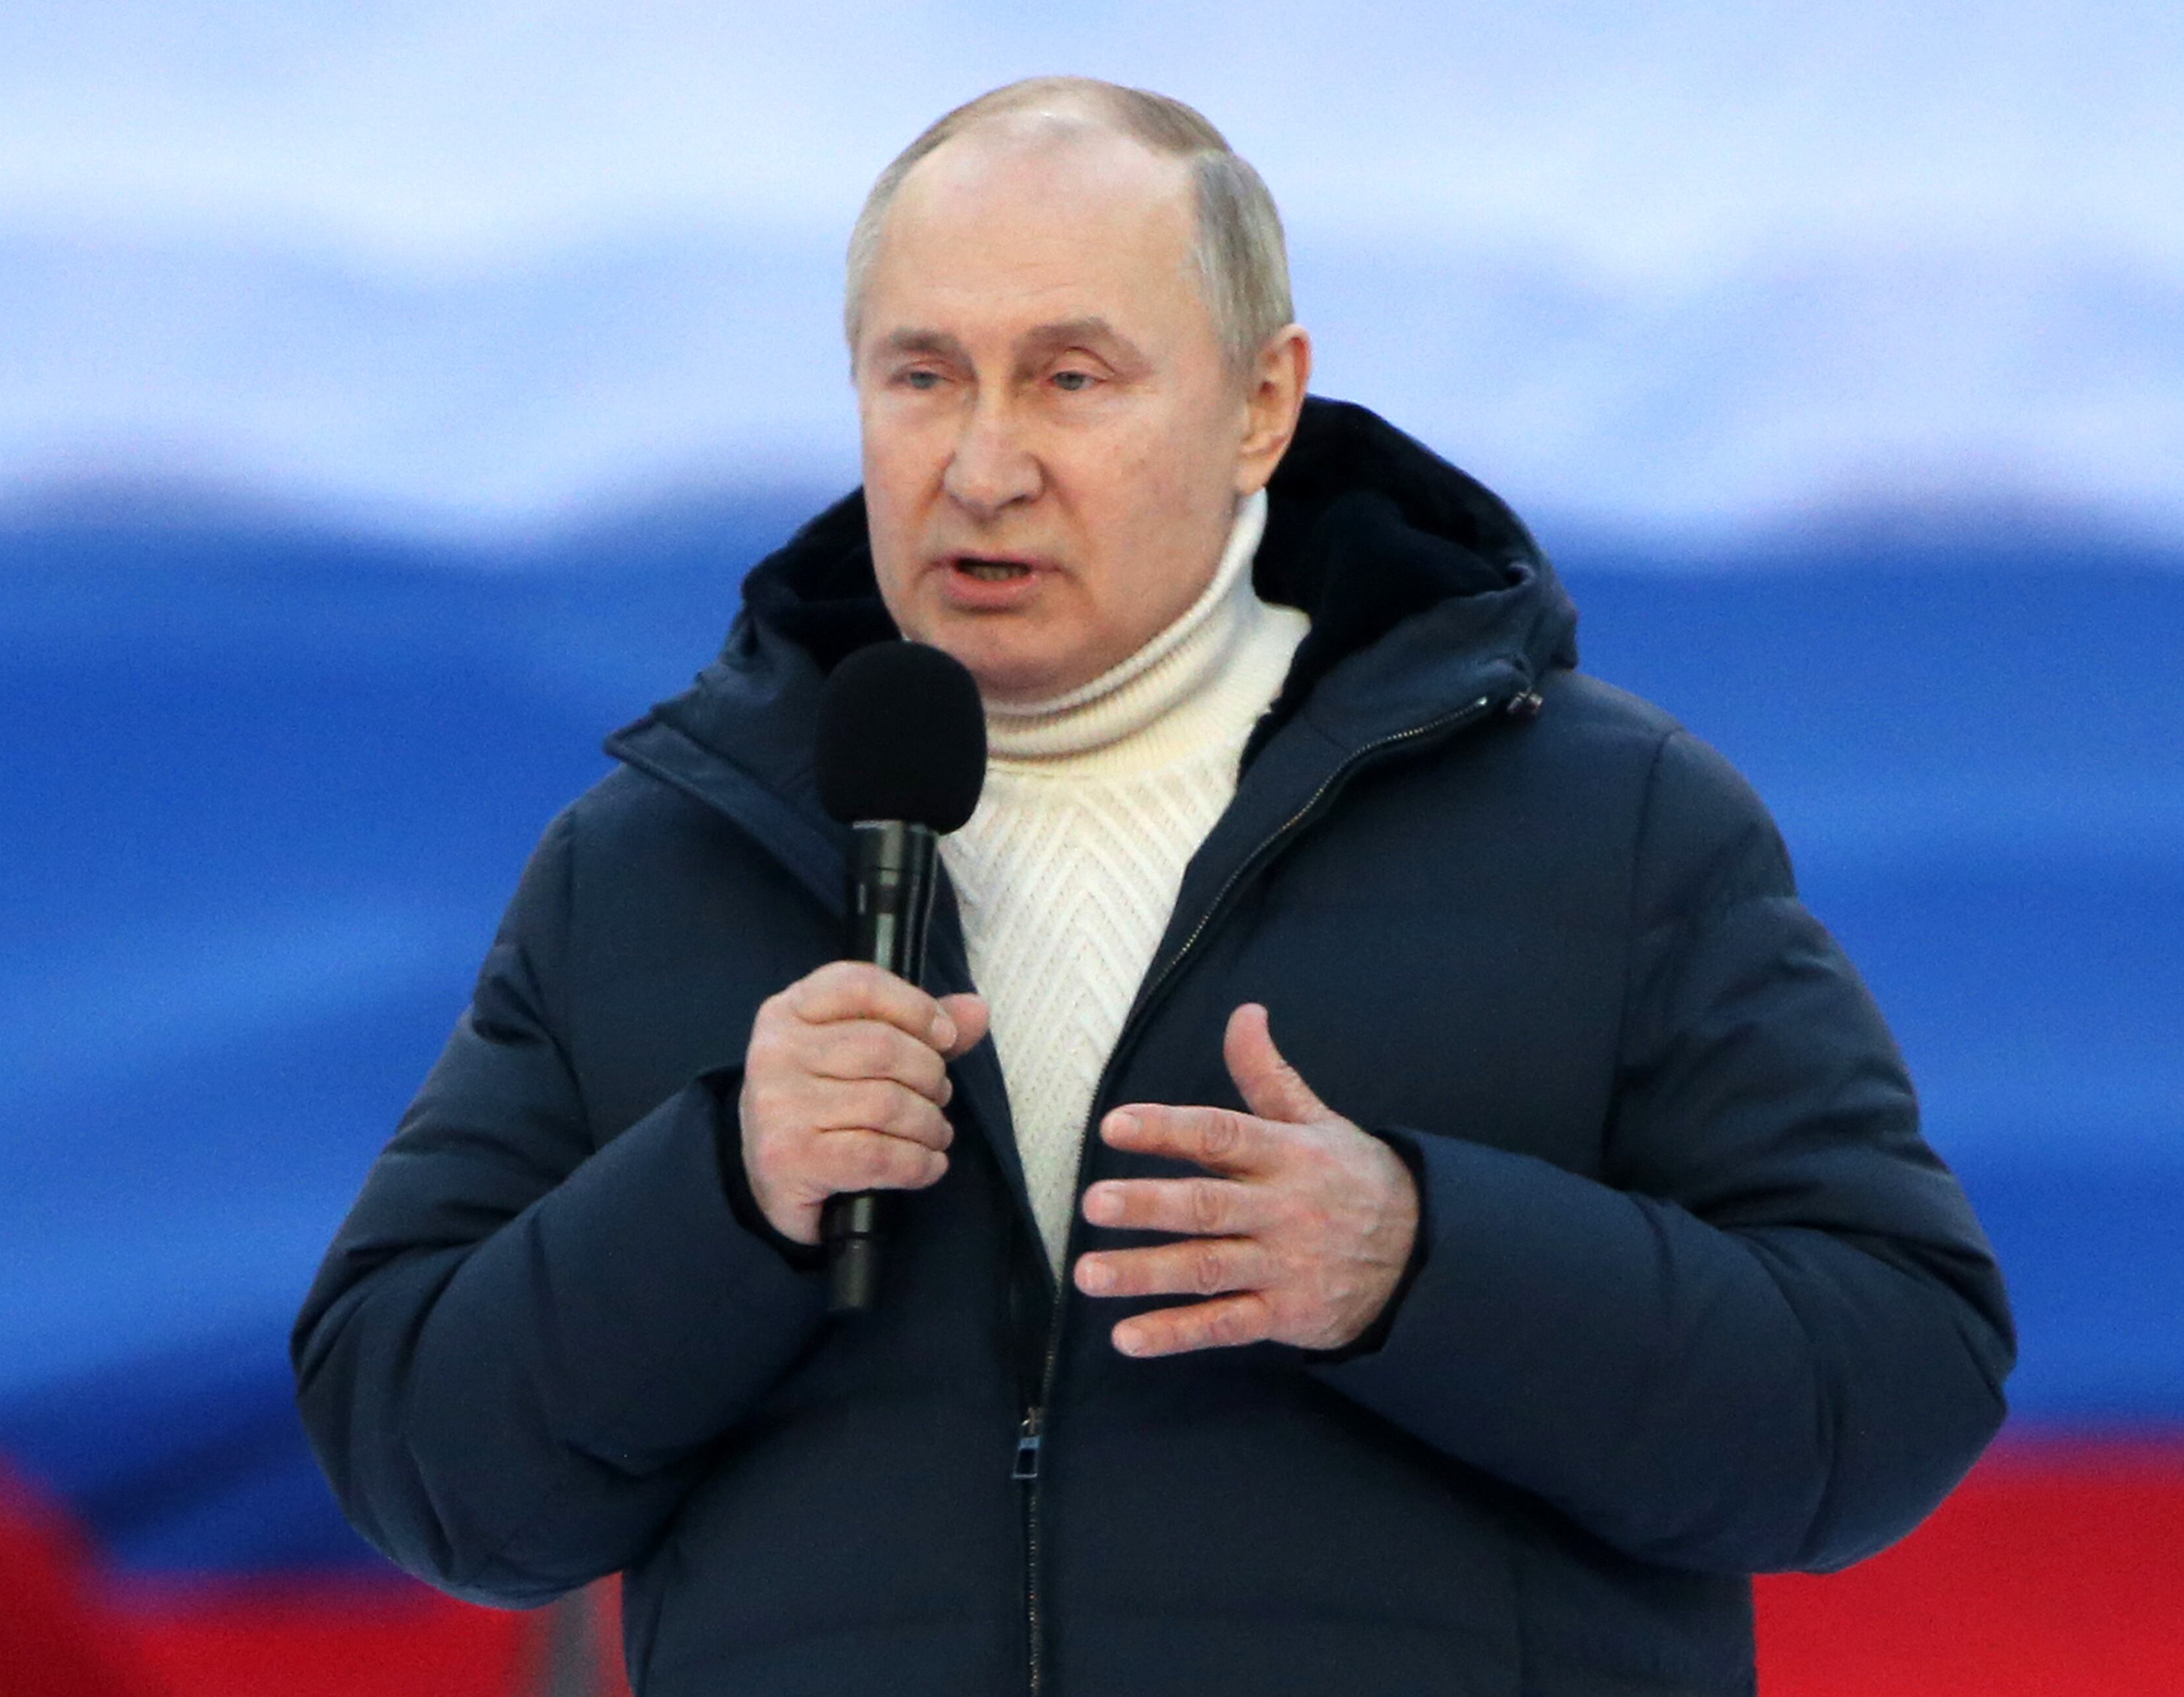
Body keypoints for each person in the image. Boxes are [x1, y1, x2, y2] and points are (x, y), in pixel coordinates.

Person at [293, 77, 2013, 1696]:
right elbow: (420, 1461)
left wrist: (1422, 1261)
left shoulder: (1606, 818)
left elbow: (1887, 1381)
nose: (981, 462)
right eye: (920, 376)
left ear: (1261, 401)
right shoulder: (656, 859)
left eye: (1069, 376)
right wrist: (720, 1193)